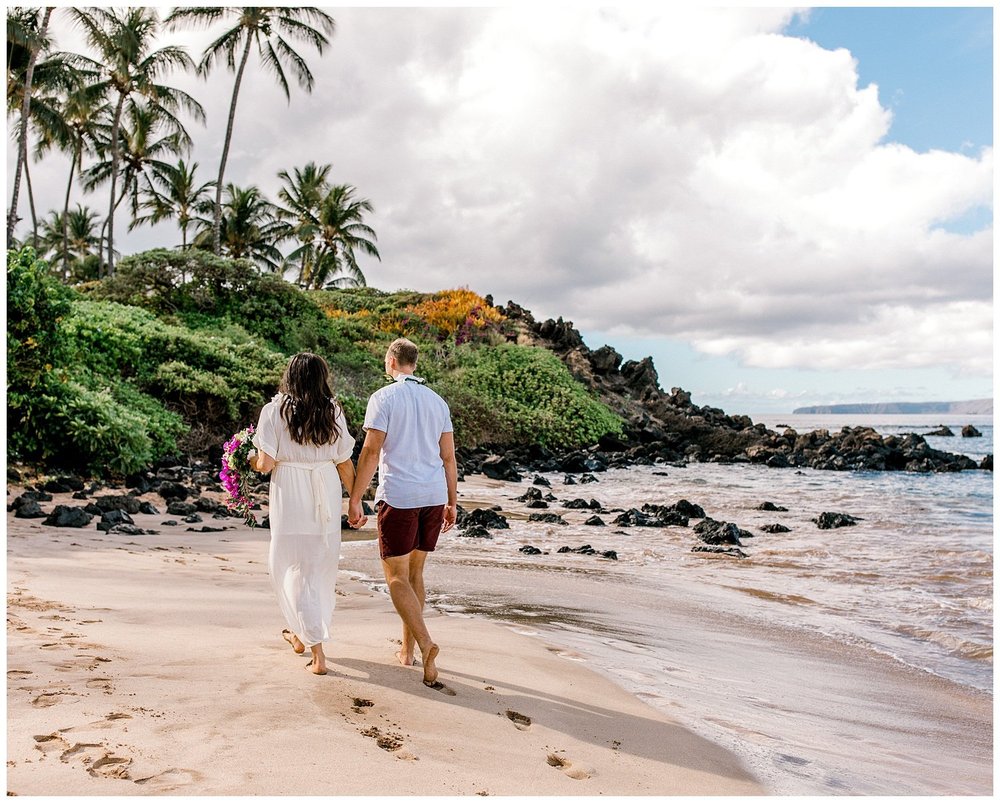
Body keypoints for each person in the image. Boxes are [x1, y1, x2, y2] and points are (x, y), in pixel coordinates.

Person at [347, 338, 458, 689]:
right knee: (416, 573)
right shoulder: (437, 401)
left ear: (392, 361)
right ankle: (407, 653)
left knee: (396, 577)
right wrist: (452, 501)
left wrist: (355, 498)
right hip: (434, 495)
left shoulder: (383, 398)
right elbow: (449, 457)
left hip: (401, 496)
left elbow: (370, 450)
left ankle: (424, 644)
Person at [248, 352, 363, 676]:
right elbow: (344, 462)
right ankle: (301, 634)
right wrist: (355, 502)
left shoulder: (274, 411)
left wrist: (249, 461)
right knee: (317, 571)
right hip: (325, 491)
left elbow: (266, 464)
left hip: (291, 493)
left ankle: (317, 652)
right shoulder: (333, 411)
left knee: (290, 567)